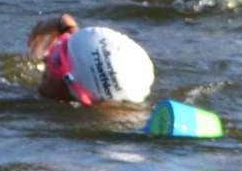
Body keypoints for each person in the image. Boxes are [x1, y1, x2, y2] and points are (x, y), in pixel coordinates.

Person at [27, 14, 155, 105]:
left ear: (81, 95)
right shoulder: (88, 83)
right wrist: (63, 23)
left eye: (56, 60)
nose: (45, 59)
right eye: (61, 44)